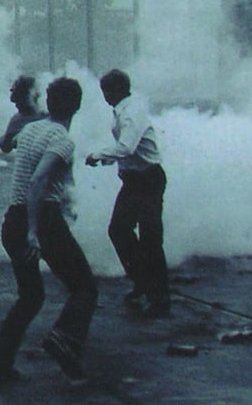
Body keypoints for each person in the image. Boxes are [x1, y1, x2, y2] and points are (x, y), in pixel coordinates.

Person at [0, 77, 97, 386]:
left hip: (13, 219)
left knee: (31, 296)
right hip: (41, 220)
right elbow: (38, 181)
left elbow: (13, 145)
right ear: (77, 105)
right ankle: (64, 340)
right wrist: (35, 232)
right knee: (85, 287)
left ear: (48, 103)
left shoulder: (31, 129)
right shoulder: (63, 139)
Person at [86, 69, 170, 318]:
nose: (105, 97)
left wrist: (99, 155)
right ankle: (143, 281)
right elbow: (128, 150)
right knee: (119, 230)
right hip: (135, 180)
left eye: (107, 92)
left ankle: (159, 295)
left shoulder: (131, 112)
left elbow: (126, 146)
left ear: (117, 90)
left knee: (150, 238)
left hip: (147, 179)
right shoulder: (125, 109)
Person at [0, 75, 47, 154]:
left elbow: (5, 146)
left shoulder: (17, 120)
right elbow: (5, 145)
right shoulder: (17, 120)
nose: (15, 104)